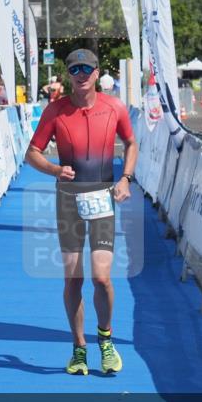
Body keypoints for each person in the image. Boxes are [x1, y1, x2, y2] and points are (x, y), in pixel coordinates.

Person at [25, 49, 138, 377]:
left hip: (102, 198)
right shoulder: (56, 110)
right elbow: (32, 153)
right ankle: (78, 348)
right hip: (69, 200)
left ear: (97, 72)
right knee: (73, 278)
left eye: (87, 68)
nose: (81, 74)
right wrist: (55, 169)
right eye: (74, 69)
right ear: (68, 74)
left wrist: (126, 178)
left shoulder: (114, 107)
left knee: (101, 278)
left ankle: (106, 339)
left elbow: (131, 143)